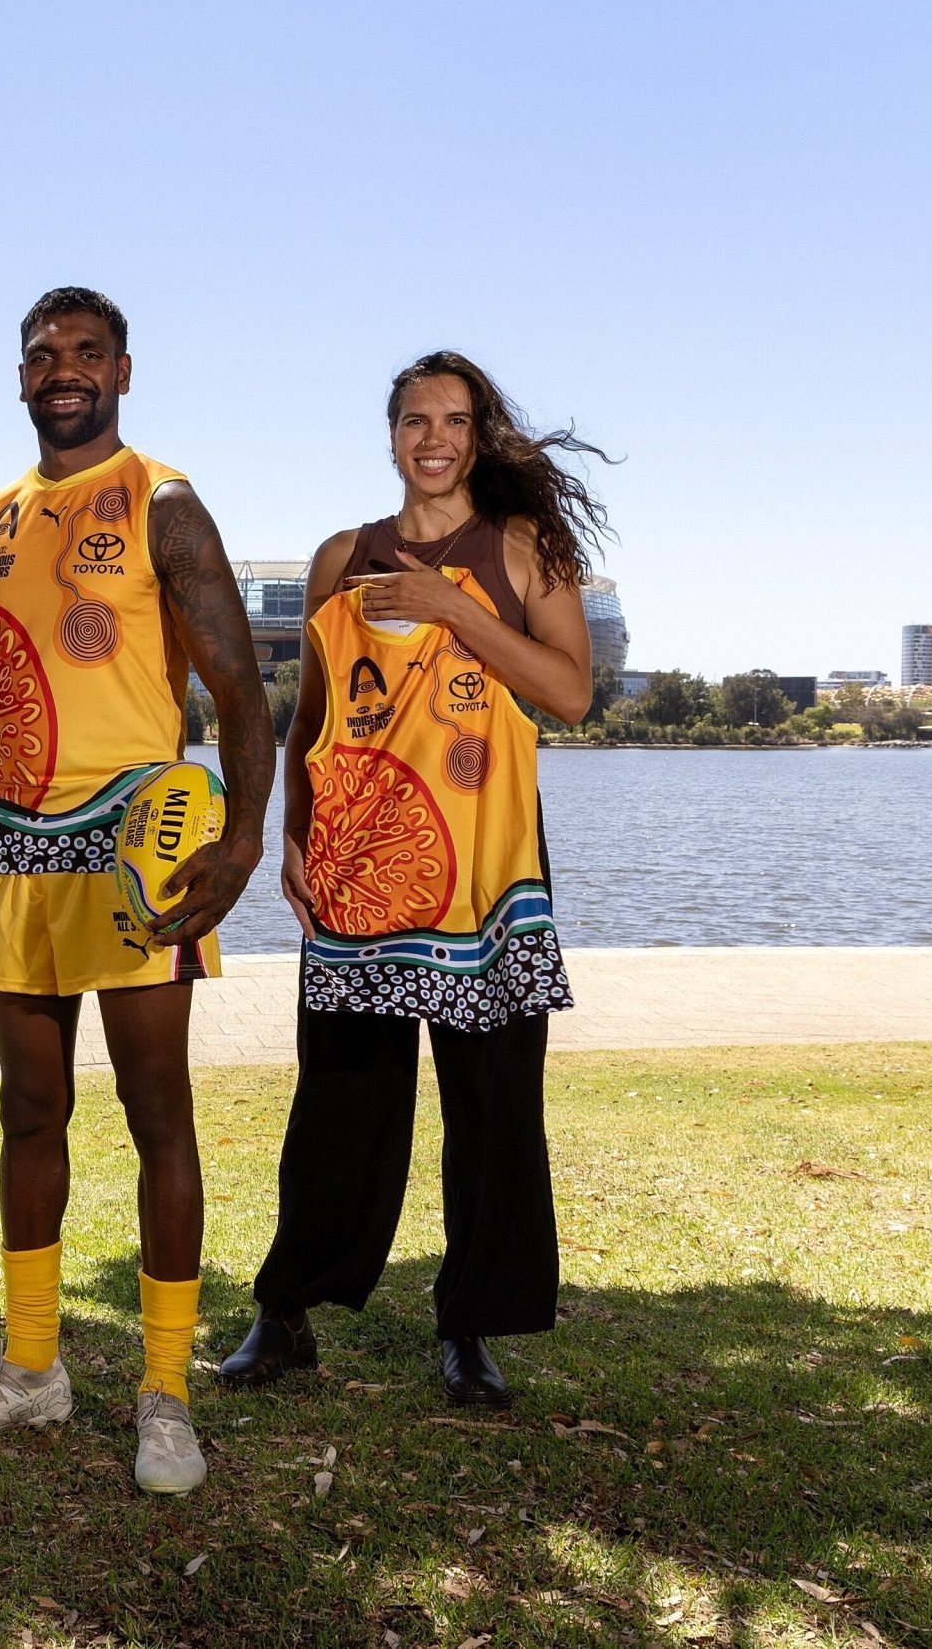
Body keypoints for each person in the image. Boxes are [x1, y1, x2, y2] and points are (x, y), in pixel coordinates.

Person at [0, 288, 274, 1494]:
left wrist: (240, 839)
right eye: (39, 356)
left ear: (120, 368)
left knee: (155, 1113)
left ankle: (165, 1390)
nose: (60, 371)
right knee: (29, 1111)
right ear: (19, 378)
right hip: (18, 849)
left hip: (137, 840)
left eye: (82, 353)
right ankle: (31, 1365)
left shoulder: (163, 502)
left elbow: (239, 691)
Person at [219, 349, 607, 1408]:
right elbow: (312, 714)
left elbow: (570, 693)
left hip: (484, 875)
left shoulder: (527, 550)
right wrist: (290, 831)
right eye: (413, 420)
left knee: (492, 1106)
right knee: (341, 1102)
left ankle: (469, 1325)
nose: (431, 438)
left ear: (475, 436)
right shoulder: (341, 555)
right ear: (389, 434)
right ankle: (287, 1309)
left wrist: (455, 607)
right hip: (358, 869)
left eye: (451, 420)